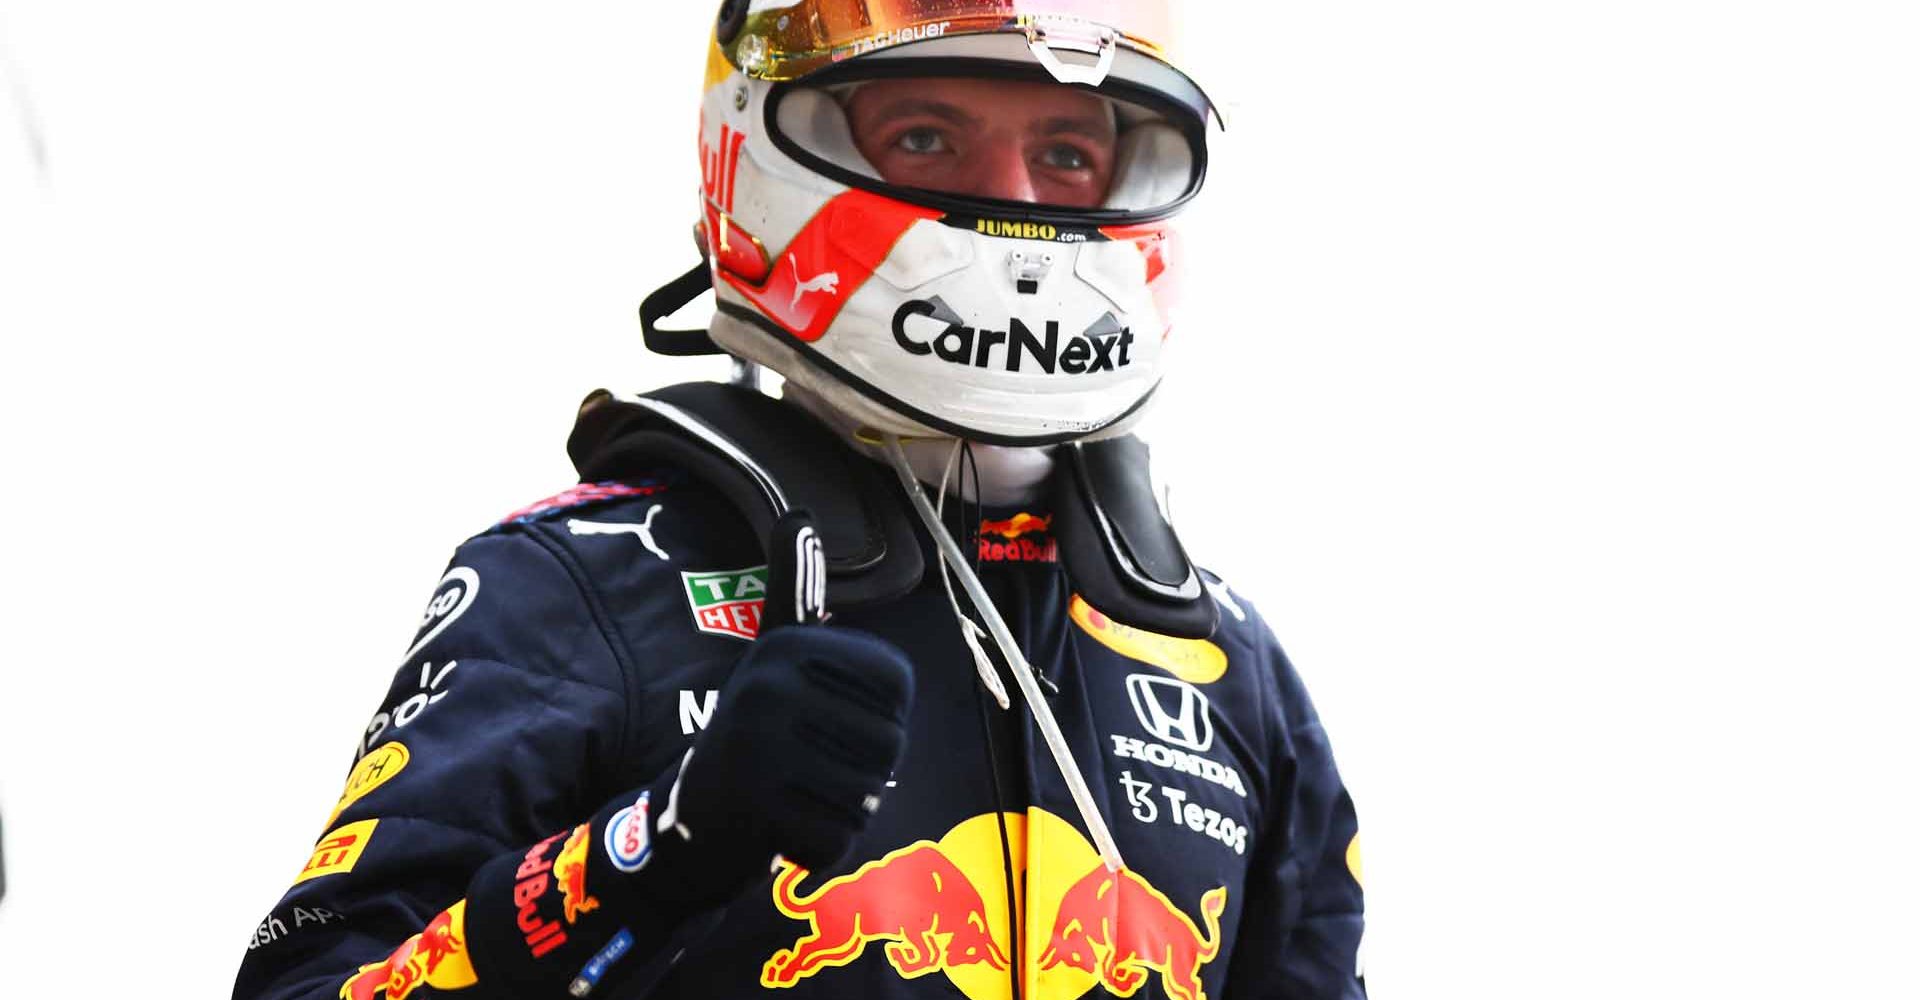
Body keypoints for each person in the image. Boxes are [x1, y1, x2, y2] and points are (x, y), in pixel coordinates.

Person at [233, 4, 1367, 1000]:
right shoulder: (586, 582)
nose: (1014, 204)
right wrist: (653, 850)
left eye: (1067, 152)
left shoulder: (1227, 664)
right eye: (928, 137)